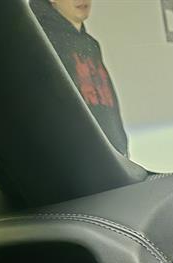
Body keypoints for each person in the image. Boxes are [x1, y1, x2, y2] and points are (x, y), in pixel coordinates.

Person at [29, 0, 129, 156]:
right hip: (74, 157)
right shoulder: (41, 42)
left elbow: (106, 105)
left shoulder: (90, 44)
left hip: (109, 158)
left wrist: (121, 148)